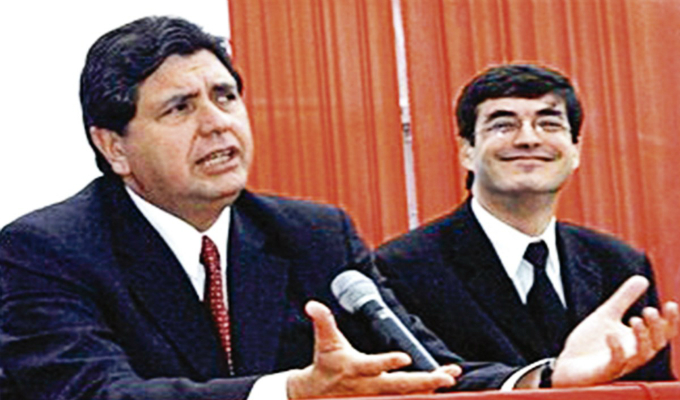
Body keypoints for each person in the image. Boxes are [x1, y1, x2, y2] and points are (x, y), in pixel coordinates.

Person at [0, 17, 674, 399]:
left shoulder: (311, 234)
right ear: (114, 146)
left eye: (226, 97)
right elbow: (96, 394)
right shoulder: (46, 249)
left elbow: (423, 367)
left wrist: (549, 376)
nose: (218, 124)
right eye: (180, 108)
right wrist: (290, 392)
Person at [375, 64, 679, 387]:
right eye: (503, 125)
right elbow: (426, 382)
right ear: (467, 151)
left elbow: (653, 388)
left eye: (549, 124)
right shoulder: (402, 268)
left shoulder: (620, 266)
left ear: (575, 150)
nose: (529, 139)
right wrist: (548, 378)